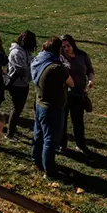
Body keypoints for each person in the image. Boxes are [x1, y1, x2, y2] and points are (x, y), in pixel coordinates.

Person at [30, 37, 74, 179]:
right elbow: (71, 83)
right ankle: (49, 170)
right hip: (52, 107)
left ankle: (36, 161)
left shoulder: (38, 61)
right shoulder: (55, 67)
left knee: (38, 134)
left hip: (39, 102)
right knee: (50, 139)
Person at [59, 34, 95, 154]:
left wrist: (90, 80)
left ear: (73, 44)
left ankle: (80, 144)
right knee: (62, 120)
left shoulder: (82, 55)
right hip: (64, 94)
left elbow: (90, 70)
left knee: (78, 120)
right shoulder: (60, 58)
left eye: (68, 45)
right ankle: (61, 144)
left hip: (79, 93)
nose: (67, 49)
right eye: (64, 47)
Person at [6, 31, 37, 140]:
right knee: (16, 108)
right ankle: (10, 133)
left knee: (18, 109)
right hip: (16, 85)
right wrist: (33, 70)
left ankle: (12, 130)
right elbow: (22, 70)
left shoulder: (25, 51)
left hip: (24, 84)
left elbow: (32, 61)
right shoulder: (16, 53)